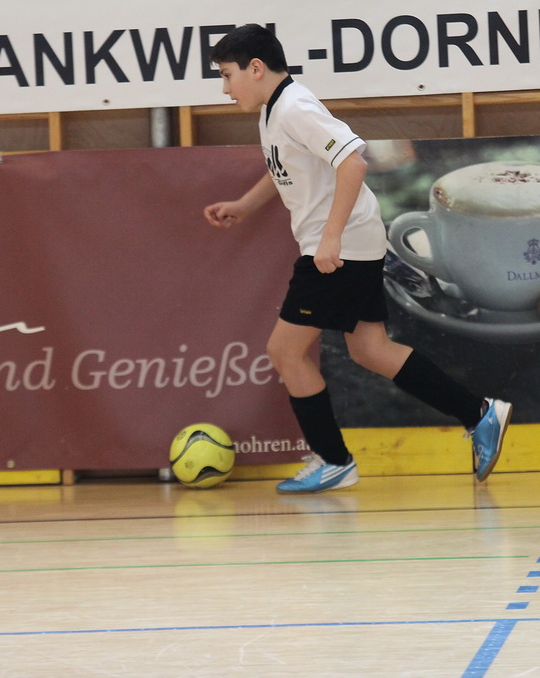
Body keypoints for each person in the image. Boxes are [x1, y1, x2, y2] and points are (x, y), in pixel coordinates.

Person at [203, 24, 512, 494]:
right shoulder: (274, 111)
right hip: (352, 243)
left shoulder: (296, 107)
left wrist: (330, 238)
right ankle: (480, 413)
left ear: (256, 68)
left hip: (339, 249)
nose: (226, 89)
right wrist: (245, 206)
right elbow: (285, 168)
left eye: (228, 75)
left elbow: (354, 160)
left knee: (285, 352)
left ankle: (334, 460)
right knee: (370, 349)